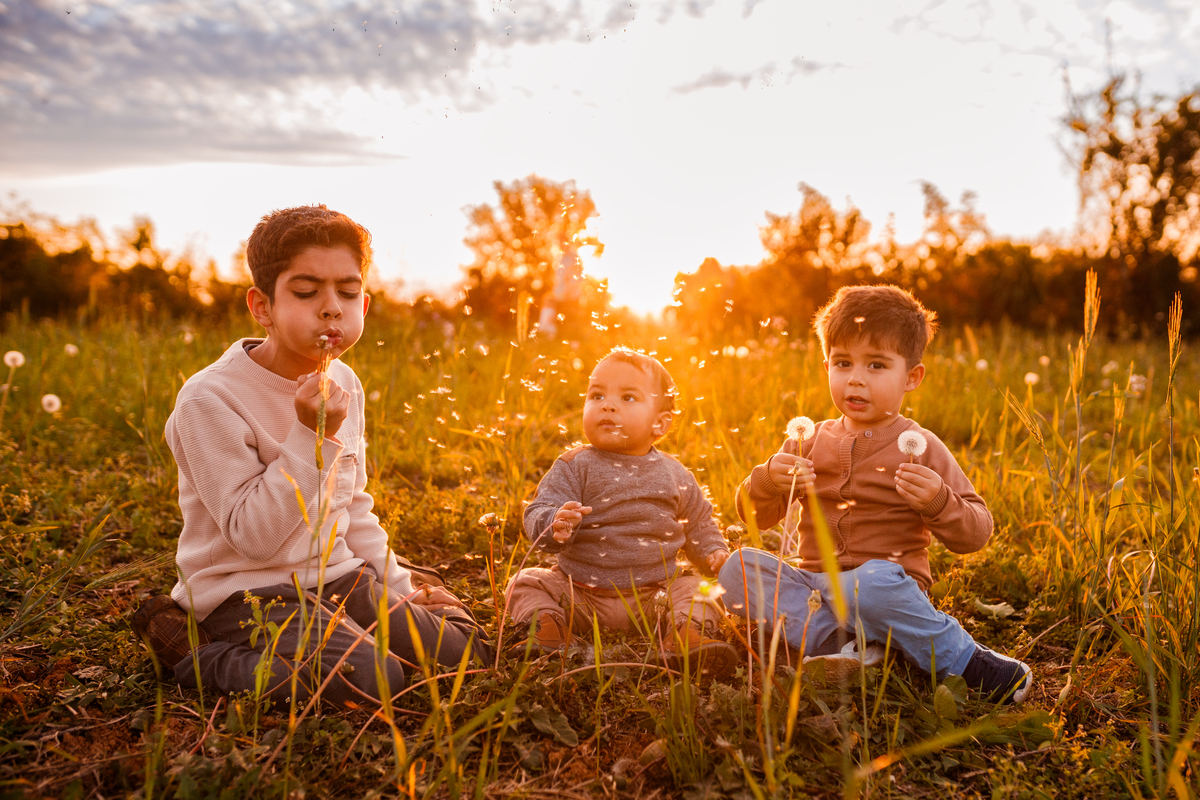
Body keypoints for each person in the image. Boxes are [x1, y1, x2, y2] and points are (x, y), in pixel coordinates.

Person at [132, 205, 487, 707]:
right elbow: (254, 538)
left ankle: (395, 593)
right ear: (262, 306)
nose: (331, 308)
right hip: (247, 590)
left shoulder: (343, 381)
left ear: (364, 304)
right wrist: (311, 437)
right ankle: (191, 649)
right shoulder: (208, 399)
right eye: (306, 292)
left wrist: (400, 586)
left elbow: (351, 502)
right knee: (372, 679)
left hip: (335, 573)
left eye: (347, 292)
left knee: (465, 650)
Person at [718, 285, 1033, 703]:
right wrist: (767, 481)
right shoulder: (808, 440)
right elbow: (753, 517)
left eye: (877, 365)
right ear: (826, 364)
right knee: (736, 568)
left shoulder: (921, 446)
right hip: (816, 588)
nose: (856, 378)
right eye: (843, 362)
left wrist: (938, 501)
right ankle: (842, 647)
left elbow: (975, 533)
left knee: (865, 585)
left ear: (912, 377)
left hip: (884, 587)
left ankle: (964, 659)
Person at [505, 348, 737, 675]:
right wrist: (554, 523)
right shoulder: (574, 465)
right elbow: (538, 510)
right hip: (579, 593)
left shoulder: (675, 474)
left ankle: (686, 638)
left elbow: (698, 523)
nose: (608, 405)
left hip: (655, 596)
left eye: (628, 398)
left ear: (660, 424)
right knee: (525, 582)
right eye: (597, 395)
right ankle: (550, 631)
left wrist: (712, 552)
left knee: (697, 588)